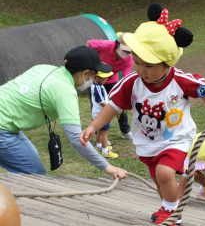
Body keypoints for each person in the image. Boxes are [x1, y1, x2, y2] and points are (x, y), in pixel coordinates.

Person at [80, 3, 205, 226]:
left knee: (164, 172)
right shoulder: (132, 82)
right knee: (159, 180)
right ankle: (168, 207)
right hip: (148, 141)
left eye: (148, 65)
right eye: (137, 62)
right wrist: (93, 126)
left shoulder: (180, 80)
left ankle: (172, 213)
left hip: (177, 139)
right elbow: (113, 106)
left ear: (166, 63)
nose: (140, 69)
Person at [0, 45, 127, 179]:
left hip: (7, 125)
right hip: (3, 128)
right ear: (85, 74)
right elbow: (77, 138)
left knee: (31, 157)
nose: (94, 79)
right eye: (95, 75)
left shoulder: (43, 68)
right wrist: (108, 167)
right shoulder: (65, 91)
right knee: (35, 176)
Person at [87, 36, 134, 140]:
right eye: (123, 51)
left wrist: (126, 94)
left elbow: (126, 78)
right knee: (96, 105)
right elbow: (89, 43)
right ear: (117, 45)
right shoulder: (106, 45)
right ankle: (98, 131)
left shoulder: (128, 60)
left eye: (128, 52)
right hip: (95, 79)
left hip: (112, 81)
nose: (124, 55)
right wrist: (93, 64)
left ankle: (125, 131)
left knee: (120, 104)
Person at [90, 71, 119, 158]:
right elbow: (101, 102)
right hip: (102, 114)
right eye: (104, 77)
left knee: (100, 130)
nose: (107, 79)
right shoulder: (97, 88)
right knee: (104, 133)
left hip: (99, 113)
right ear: (96, 77)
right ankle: (105, 151)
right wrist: (112, 109)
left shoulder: (98, 85)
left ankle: (99, 144)